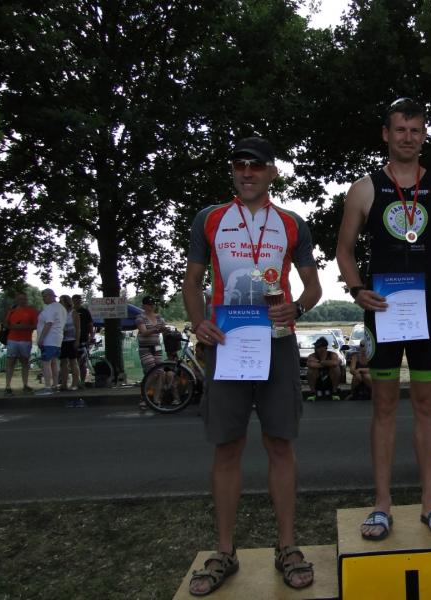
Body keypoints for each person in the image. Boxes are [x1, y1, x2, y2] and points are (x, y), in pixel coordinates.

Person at [182, 135, 321, 594]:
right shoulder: (209, 218)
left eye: (256, 166)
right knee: (227, 447)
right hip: (227, 341)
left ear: (272, 172)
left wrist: (297, 308)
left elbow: (313, 287)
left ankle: (287, 546)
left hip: (277, 342)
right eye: (240, 165)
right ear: (232, 171)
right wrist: (198, 323)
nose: (247, 173)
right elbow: (192, 281)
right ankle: (224, 551)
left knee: (280, 444)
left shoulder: (292, 223)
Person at [335, 98, 431, 540]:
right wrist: (357, 289)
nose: (408, 137)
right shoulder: (364, 189)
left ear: (424, 135)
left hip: (429, 313)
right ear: (386, 135)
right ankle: (382, 504)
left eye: (415, 130)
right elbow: (344, 250)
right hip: (384, 311)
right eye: (400, 129)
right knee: (384, 407)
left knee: (427, 406)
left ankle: (430, 502)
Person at [3, 291, 39, 396]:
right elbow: (5, 324)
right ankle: (7, 386)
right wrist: (12, 327)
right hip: (12, 340)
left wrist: (25, 327)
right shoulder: (11, 311)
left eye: (24, 299)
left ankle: (25, 385)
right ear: (16, 299)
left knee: (25, 362)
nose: (22, 301)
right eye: (20, 299)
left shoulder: (32, 311)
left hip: (25, 340)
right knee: (10, 362)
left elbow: (36, 325)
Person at [35, 288, 67, 396]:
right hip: (58, 339)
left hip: (49, 340)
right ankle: (55, 385)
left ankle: (47, 387)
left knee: (46, 363)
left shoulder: (50, 308)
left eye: (44, 296)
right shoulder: (61, 308)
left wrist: (41, 338)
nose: (43, 299)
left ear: (50, 296)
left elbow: (48, 323)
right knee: (54, 363)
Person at [135, 296, 166, 410]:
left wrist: (165, 329)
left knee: (160, 373)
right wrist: (156, 329)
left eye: (152, 304)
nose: (151, 306)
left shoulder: (159, 317)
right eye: (149, 304)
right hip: (145, 348)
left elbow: (163, 329)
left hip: (156, 347)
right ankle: (143, 398)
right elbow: (143, 332)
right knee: (152, 373)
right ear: (143, 306)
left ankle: (156, 400)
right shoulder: (140, 317)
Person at [306, 336, 341, 401]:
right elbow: (310, 364)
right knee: (311, 370)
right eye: (316, 347)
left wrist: (320, 362)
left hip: (330, 380)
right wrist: (327, 364)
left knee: (336, 368)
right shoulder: (312, 355)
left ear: (325, 347)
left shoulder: (332, 354)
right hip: (318, 381)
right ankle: (312, 393)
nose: (316, 348)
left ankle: (334, 392)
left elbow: (336, 363)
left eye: (318, 347)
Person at [58, 295, 81, 392]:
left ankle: (75, 384)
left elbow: (78, 328)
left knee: (73, 362)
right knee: (63, 362)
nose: (60, 303)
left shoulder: (73, 313)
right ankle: (64, 384)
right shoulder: (60, 314)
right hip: (62, 341)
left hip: (72, 340)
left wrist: (77, 340)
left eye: (62, 302)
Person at [72, 294, 94, 382]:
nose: (77, 302)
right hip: (72, 338)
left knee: (83, 361)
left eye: (79, 300)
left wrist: (91, 336)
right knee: (73, 361)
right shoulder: (70, 312)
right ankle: (76, 381)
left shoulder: (85, 311)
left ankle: (82, 381)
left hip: (83, 338)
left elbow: (90, 324)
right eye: (75, 300)